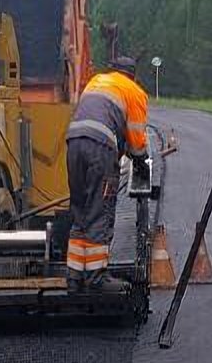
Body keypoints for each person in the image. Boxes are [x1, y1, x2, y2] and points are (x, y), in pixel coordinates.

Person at [64, 55, 150, 293]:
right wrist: (141, 162)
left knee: (81, 209)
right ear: (132, 76)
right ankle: (96, 277)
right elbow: (136, 141)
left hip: (73, 143)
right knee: (100, 209)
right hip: (99, 149)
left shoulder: (96, 81)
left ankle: (74, 276)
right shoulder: (134, 92)